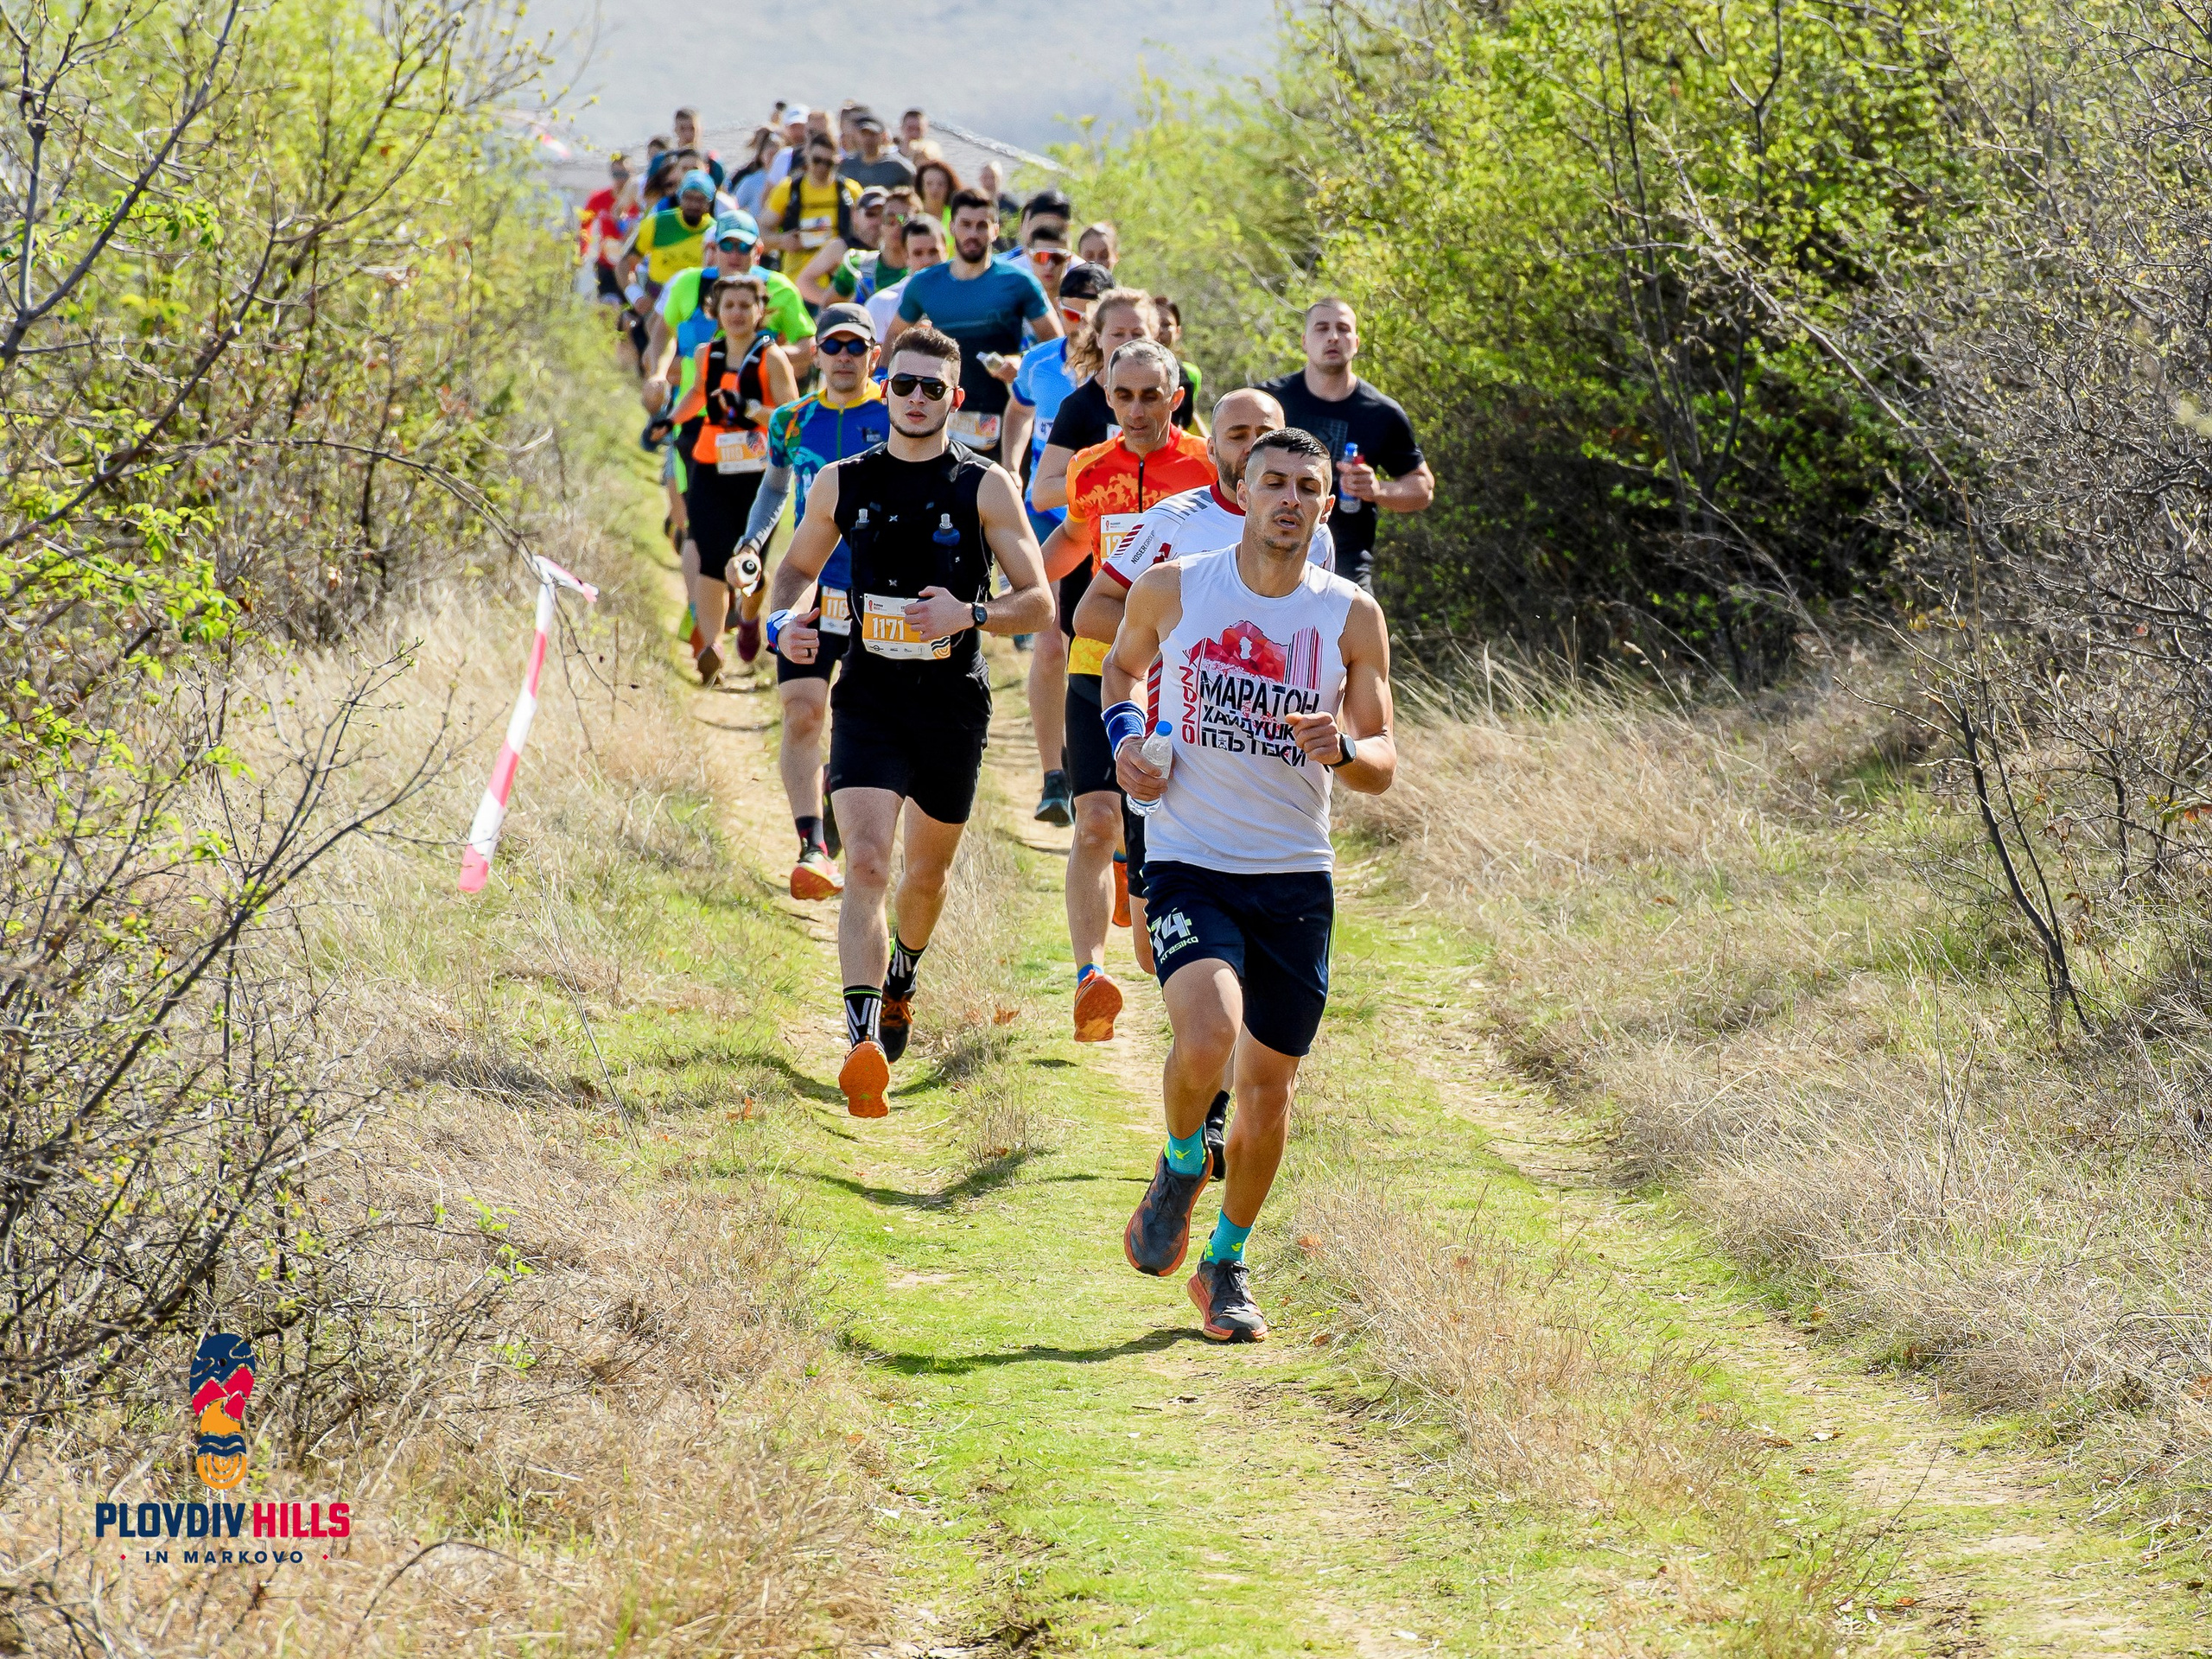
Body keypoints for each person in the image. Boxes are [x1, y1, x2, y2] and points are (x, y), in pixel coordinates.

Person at [1109, 427, 1398, 1341]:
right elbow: (1122, 667)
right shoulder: (1176, 585)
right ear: (1239, 487)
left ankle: (1225, 1262)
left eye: (1306, 487)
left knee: (1269, 1090)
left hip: (1294, 876)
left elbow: (1384, 761)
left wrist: (1345, 750)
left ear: (1324, 504)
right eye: (1271, 482)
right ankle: (1182, 1158)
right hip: (1191, 857)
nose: (1288, 499)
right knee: (1208, 1037)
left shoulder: (1348, 615)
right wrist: (1125, 743)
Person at [763, 327, 1055, 1116]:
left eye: (935, 389)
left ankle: (903, 977)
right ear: (885, 388)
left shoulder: (984, 487)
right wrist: (782, 620)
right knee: (864, 864)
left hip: (952, 702)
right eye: (905, 385)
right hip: (869, 697)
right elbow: (794, 568)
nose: (917, 400)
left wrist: (973, 611)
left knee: (923, 877)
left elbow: (1041, 601)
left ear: (956, 401)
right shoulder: (841, 481)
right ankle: (860, 1037)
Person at [1069, 389, 1340, 1175]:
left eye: (1266, 434)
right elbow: (1098, 619)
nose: (1254, 448)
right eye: (1241, 438)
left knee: (1231, 1003)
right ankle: (1192, 1123)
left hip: (1274, 801)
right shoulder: (1177, 525)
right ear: (1223, 448)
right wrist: (1167, 693)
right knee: (1172, 972)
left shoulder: (1313, 545)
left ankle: (1210, 1124)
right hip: (1172, 772)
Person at [1042, 339, 1214, 1045]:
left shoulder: (1207, 465)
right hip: (1095, 660)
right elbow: (1076, 541)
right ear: (1107, 399)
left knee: (1157, 840)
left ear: (1176, 399)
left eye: (1152, 396)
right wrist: (1004, 587)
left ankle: (1167, 966)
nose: (1137, 409)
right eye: (1124, 395)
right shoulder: (1090, 467)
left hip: (1178, 682)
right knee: (1095, 823)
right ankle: (1090, 976)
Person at [739, 302, 893, 901]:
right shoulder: (791, 420)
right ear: (818, 354)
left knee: (860, 719)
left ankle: (846, 816)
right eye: (835, 346)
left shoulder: (896, 411)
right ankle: (811, 845)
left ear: (873, 356)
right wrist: (752, 542)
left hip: (880, 597)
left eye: (858, 347)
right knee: (804, 711)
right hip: (809, 587)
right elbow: (776, 487)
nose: (846, 358)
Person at [1020, 283, 1155, 827]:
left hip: (1157, 562)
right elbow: (1042, 490)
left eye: (1138, 333)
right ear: (1096, 339)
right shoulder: (1080, 405)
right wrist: (1103, 483)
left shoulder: (1177, 393)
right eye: (1117, 333)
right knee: (1070, 654)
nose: (1127, 342)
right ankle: (1067, 775)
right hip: (1088, 555)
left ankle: (1139, 816)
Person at [668, 275, 799, 683]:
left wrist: (751, 408)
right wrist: (667, 422)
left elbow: (791, 415)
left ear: (761, 310)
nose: (737, 313)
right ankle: (710, 649)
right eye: (729, 306)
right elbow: (697, 396)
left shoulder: (773, 358)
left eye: (746, 305)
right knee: (709, 556)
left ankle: (748, 616)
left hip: (760, 475)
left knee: (746, 561)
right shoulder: (707, 354)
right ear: (716, 311)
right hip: (709, 465)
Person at [1259, 298, 1434, 591]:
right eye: (1322, 328)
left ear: (1356, 342)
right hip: (1269, 559)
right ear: (1304, 341)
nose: (1333, 337)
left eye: (1343, 329)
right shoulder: (1269, 402)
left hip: (1346, 567)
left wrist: (1378, 489)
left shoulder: (1381, 413)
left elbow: (1422, 489)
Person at [887, 188, 1060, 468]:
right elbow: (895, 335)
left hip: (1003, 418)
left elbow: (1055, 346)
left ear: (995, 230)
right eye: (966, 224)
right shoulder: (925, 283)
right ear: (952, 226)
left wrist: (1020, 362)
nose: (973, 233)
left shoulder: (1019, 282)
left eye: (982, 225)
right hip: (940, 412)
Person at [764, 133, 862, 276]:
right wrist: (781, 240)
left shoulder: (850, 191)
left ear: (838, 161)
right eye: (817, 160)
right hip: (796, 278)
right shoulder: (788, 190)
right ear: (807, 156)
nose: (822, 167)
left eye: (829, 163)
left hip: (837, 281)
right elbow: (762, 230)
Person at [620, 167, 715, 302]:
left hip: (693, 302)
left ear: (709, 203)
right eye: (688, 198)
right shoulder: (657, 223)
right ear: (680, 197)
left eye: (700, 200)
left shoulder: (713, 232)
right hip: (656, 297)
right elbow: (624, 263)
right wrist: (636, 297)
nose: (693, 204)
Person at [801, 186, 887, 308]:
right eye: (871, 214)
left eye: (883, 215)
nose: (877, 221)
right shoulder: (840, 247)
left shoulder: (896, 249)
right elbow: (803, 282)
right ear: (855, 215)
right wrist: (837, 304)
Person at [865, 213, 944, 337]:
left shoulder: (963, 298)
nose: (927, 261)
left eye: (933, 252)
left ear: (946, 251)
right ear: (906, 256)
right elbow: (875, 355)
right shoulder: (881, 305)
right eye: (918, 253)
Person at [581, 153, 631, 305]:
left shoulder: (638, 202)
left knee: (628, 312)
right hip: (606, 264)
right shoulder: (599, 198)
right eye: (616, 174)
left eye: (624, 174)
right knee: (608, 306)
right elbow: (585, 224)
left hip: (631, 265)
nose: (620, 179)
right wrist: (583, 251)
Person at [840, 111, 915, 189]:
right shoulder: (846, 165)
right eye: (864, 134)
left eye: (873, 134)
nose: (868, 139)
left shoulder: (899, 167)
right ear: (856, 135)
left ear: (882, 136)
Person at [730, 125, 784, 219]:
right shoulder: (751, 182)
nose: (774, 159)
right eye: (770, 154)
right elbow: (734, 208)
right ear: (761, 156)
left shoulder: (788, 179)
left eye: (778, 155)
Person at [671, 107, 724, 189]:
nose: (688, 134)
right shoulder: (667, 161)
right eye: (682, 129)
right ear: (675, 130)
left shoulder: (712, 161)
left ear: (700, 129)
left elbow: (721, 190)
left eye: (692, 129)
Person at [913, 157, 959, 224]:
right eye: (929, 184)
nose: (935, 189)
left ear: (949, 187)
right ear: (921, 186)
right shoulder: (913, 215)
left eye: (941, 184)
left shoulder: (955, 217)